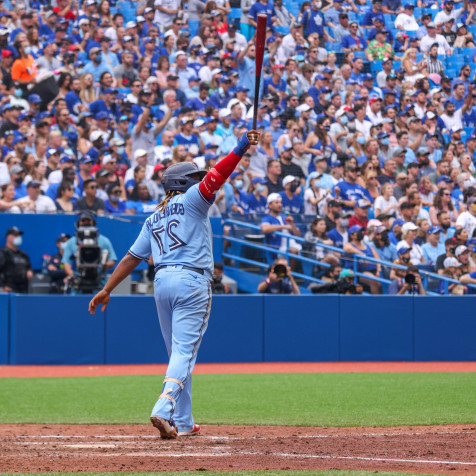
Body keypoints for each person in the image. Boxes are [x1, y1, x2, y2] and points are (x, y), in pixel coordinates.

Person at [89, 130, 261, 439]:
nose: (200, 180)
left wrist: (107, 288)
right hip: (191, 280)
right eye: (194, 177)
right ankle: (163, 407)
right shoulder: (193, 199)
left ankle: (183, 422)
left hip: (162, 283)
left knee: (178, 354)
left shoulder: (154, 216)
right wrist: (241, 146)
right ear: (184, 183)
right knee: (184, 352)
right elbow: (218, 174)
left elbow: (131, 257)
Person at [62, 211, 117, 292]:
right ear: (78, 223)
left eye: (88, 221)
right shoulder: (71, 242)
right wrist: (73, 276)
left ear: (93, 222)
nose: (86, 223)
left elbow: (112, 260)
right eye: (83, 221)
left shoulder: (104, 241)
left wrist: (102, 265)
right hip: (78, 284)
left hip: (99, 283)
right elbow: (66, 263)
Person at [0, 227, 33, 293]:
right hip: (9, 291)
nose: (18, 237)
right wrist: (2, 287)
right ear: (7, 238)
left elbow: (29, 267)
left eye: (19, 235)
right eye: (15, 235)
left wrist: (30, 272)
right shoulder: (3, 253)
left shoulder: (23, 254)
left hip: (23, 290)